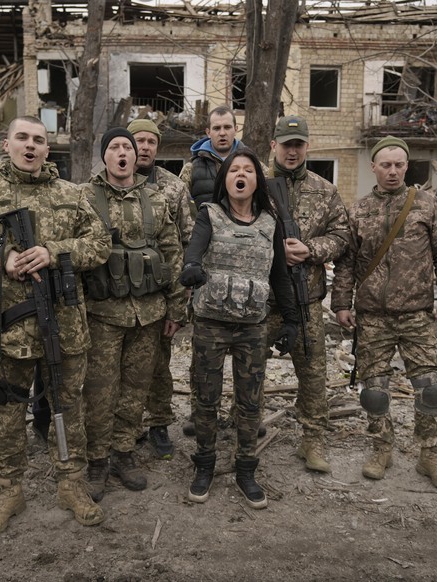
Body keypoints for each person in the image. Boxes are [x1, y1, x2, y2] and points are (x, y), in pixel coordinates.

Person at [0, 116, 111, 535]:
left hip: (64, 325)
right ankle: (8, 489)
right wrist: (2, 255)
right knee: (8, 410)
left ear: (47, 150)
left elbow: (100, 243)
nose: (30, 146)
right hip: (7, 327)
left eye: (38, 140)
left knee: (68, 406)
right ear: (7, 144)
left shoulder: (71, 194)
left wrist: (54, 251)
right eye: (23, 138)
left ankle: (70, 483)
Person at [331, 135, 437, 491]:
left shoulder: (427, 204)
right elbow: (346, 263)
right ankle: (381, 448)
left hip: (417, 314)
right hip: (372, 316)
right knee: (374, 392)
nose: (392, 171)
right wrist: (341, 303)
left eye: (399, 164)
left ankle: (429, 455)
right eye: (385, 164)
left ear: (407, 166)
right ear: (373, 167)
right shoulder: (358, 211)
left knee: (430, 389)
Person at [179, 146, 299, 510]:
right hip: (211, 324)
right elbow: (194, 251)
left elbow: (279, 273)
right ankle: (205, 465)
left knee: (249, 402)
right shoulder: (209, 215)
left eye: (247, 170)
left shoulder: (269, 222)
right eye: (234, 171)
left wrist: (292, 320)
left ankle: (247, 469)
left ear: (256, 180)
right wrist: (191, 267)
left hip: (252, 327)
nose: (240, 175)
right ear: (225, 179)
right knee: (206, 398)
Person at [81, 128, 186, 501]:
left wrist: (177, 306)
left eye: (127, 147)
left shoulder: (156, 199)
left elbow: (173, 253)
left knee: (135, 389)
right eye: (115, 147)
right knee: (99, 391)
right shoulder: (83, 198)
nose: (123, 153)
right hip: (102, 313)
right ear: (104, 156)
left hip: (149, 313)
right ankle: (96, 460)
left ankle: (124, 453)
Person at [266, 116, 350, 473]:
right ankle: (246, 434)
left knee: (313, 374)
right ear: (274, 146)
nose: (293, 150)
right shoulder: (256, 184)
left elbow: (343, 237)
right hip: (263, 298)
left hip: (306, 299)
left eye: (298, 144)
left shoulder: (324, 190)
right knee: (251, 371)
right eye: (286, 144)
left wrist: (311, 249)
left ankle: (312, 440)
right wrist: (273, 250)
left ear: (307, 146)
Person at [127, 118, 194, 459]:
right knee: (122, 367)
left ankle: (158, 424)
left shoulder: (173, 188)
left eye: (152, 142)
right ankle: (127, 425)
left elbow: (185, 244)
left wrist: (178, 305)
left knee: (158, 365)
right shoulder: (107, 184)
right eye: (139, 140)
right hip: (121, 295)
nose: (146, 147)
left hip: (158, 293)